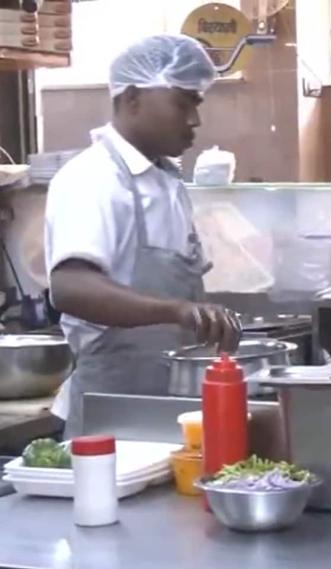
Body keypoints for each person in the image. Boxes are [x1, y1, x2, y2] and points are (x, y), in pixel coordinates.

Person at [44, 35, 241, 437]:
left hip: (167, 401)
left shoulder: (165, 181)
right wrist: (177, 310)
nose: (194, 120)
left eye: (197, 104)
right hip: (113, 411)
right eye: (182, 103)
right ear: (133, 98)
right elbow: (70, 287)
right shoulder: (93, 178)